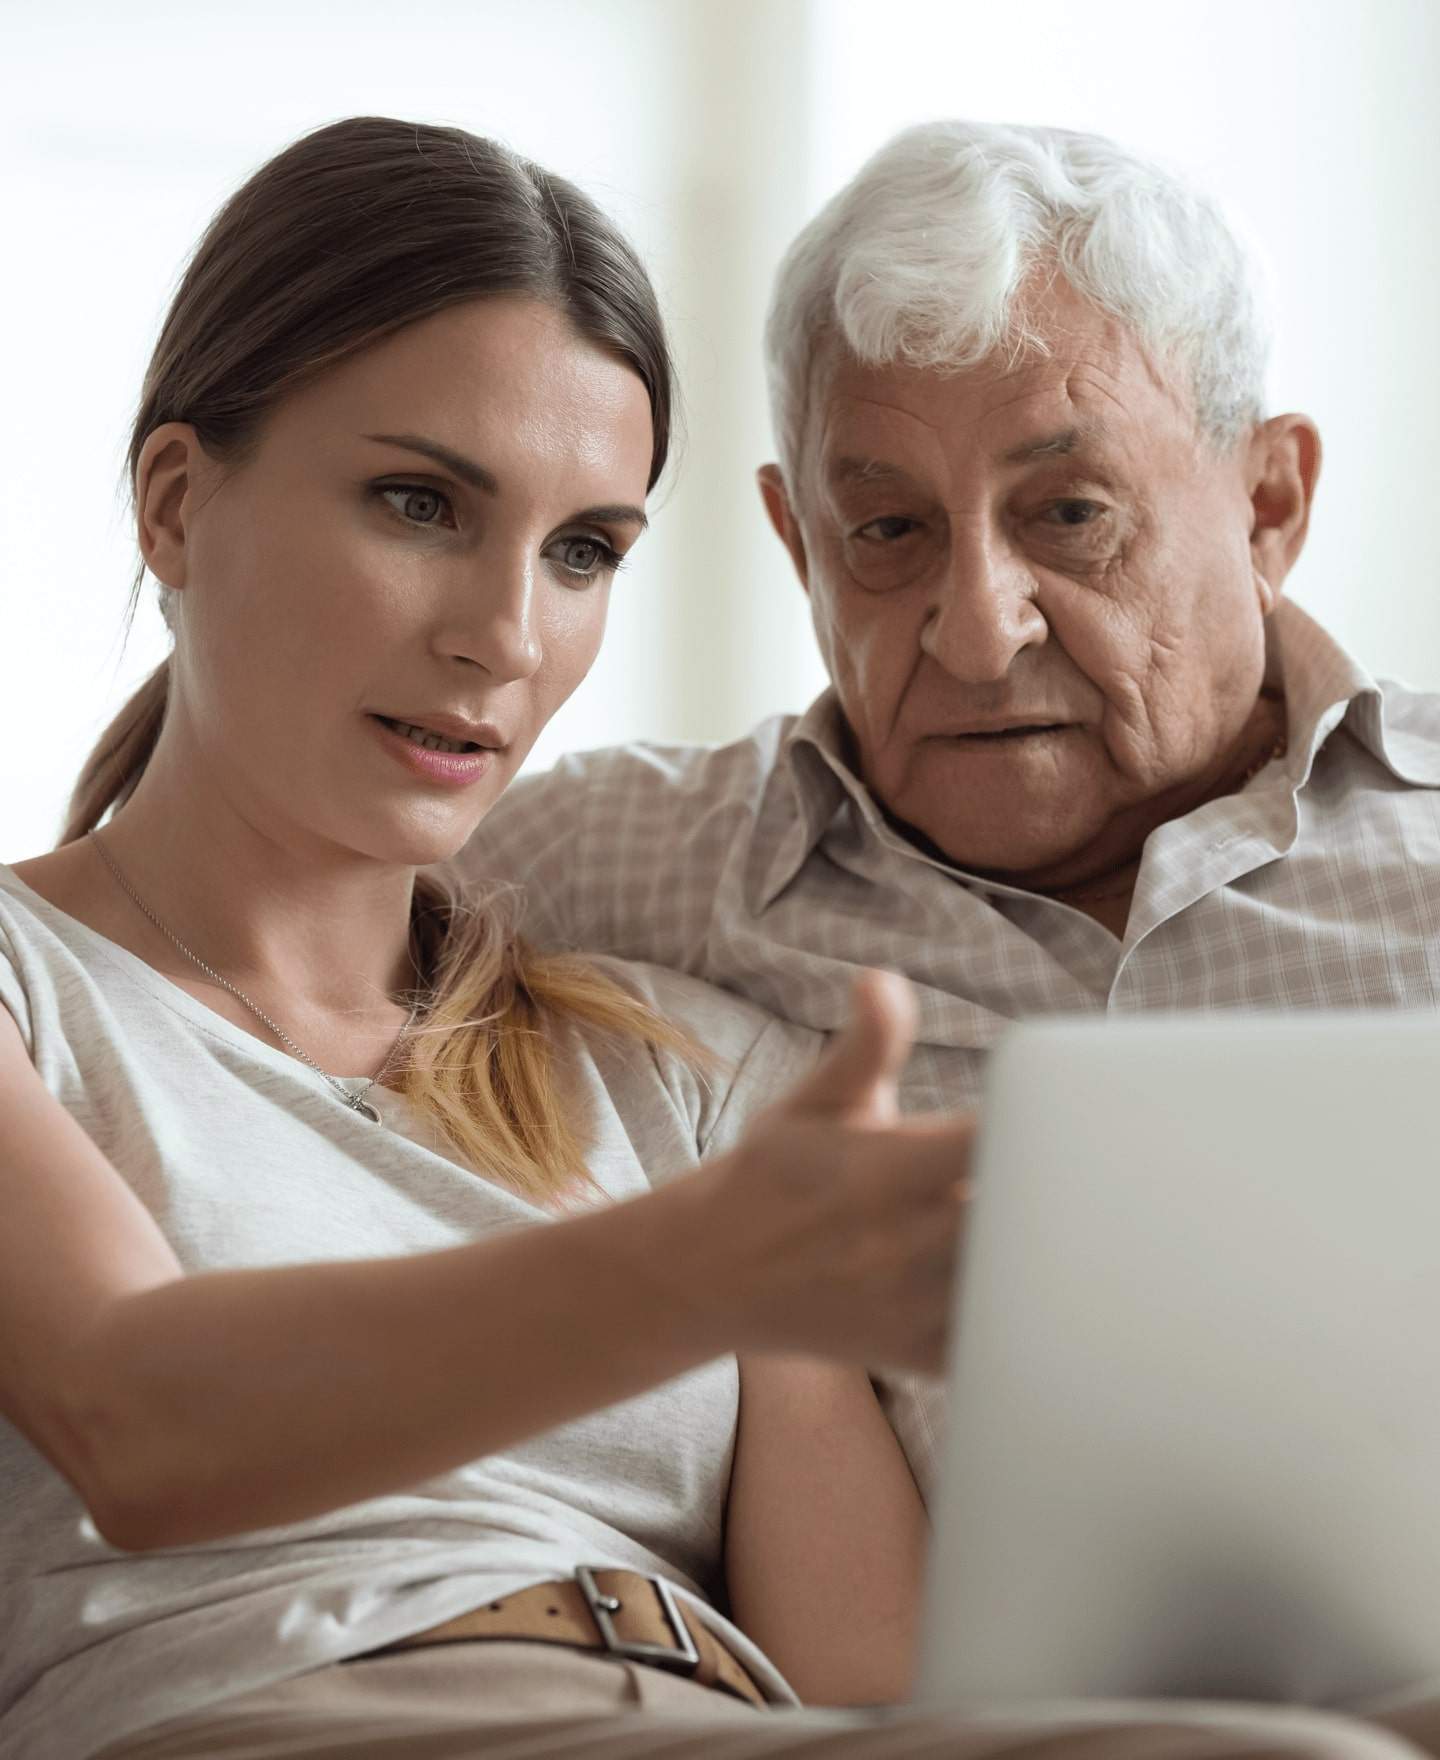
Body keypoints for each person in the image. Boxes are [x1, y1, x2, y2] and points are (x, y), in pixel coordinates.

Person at [0, 114, 1426, 1760]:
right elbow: (136, 1415)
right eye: (416, 503)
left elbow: (900, 1703)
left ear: (1270, 503)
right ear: (174, 506)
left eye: (584, 550)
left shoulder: (668, 1058)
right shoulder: (40, 989)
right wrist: (702, 1262)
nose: (507, 636)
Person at [463, 118, 1440, 1502]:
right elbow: (199, 946)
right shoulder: (616, 864)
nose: (977, 635)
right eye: (889, 532)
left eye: (1072, 514)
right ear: (798, 543)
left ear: (1268, 505)